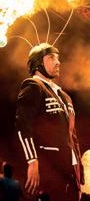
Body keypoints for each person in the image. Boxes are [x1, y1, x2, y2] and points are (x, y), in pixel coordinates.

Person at [15, 42, 82, 201]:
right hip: (50, 170)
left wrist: (79, 170)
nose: (58, 62)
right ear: (37, 63)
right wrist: (32, 160)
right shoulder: (33, 85)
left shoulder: (65, 96)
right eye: (51, 57)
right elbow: (23, 125)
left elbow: (72, 135)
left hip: (72, 171)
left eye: (58, 58)